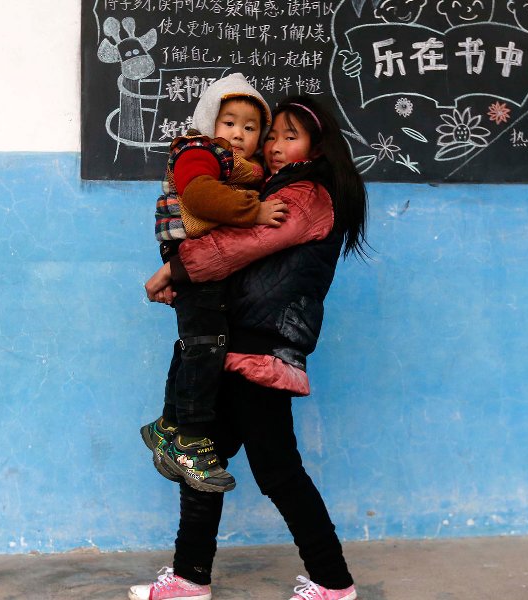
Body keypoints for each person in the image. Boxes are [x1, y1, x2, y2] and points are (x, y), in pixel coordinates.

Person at [134, 95, 368, 600]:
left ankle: (333, 582)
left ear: (316, 143)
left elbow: (239, 247)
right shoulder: (274, 185)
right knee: (203, 462)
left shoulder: (307, 195)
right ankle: (189, 578)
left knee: (277, 470)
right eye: (273, 136)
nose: (276, 146)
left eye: (291, 136)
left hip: (260, 351)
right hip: (238, 343)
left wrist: (173, 268)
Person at [142, 73, 288, 494]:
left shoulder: (242, 167)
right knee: (206, 346)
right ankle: (189, 439)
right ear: (209, 120)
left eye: (249, 127)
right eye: (229, 122)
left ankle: (166, 426)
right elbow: (200, 197)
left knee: (198, 341)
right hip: (193, 262)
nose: (239, 134)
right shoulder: (198, 151)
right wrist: (255, 211)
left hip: (204, 269)